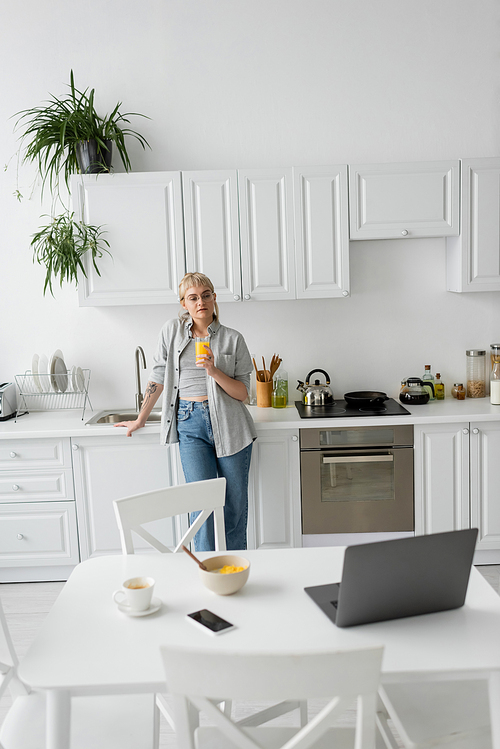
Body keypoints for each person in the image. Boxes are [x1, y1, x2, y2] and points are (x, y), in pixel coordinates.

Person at [115, 272, 256, 552]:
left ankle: (234, 568)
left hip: (231, 424)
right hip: (189, 422)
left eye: (206, 295)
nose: (200, 302)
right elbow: (157, 376)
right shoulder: (172, 331)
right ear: (184, 303)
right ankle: (204, 571)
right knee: (200, 505)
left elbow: (244, 394)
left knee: (234, 505)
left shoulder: (232, 339)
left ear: (214, 298)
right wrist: (140, 419)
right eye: (193, 298)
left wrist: (214, 371)